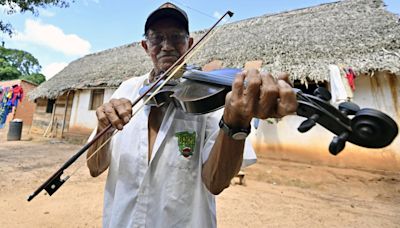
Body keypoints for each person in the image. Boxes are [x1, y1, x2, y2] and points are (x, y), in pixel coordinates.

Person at [87, 2, 297, 227]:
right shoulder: (127, 89)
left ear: (189, 44)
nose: (166, 46)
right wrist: (103, 129)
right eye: (157, 38)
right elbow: (94, 167)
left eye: (176, 37)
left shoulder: (210, 98)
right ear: (145, 46)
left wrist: (235, 124)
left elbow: (216, 182)